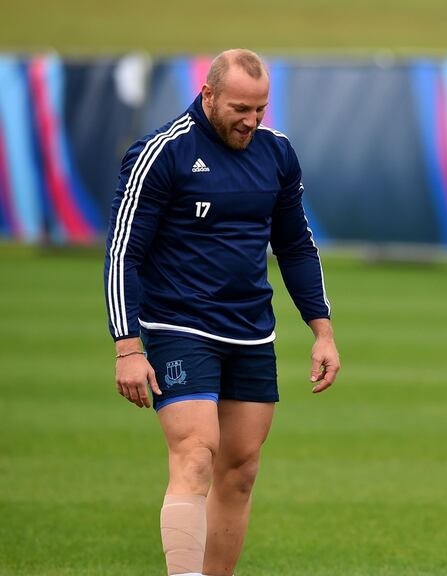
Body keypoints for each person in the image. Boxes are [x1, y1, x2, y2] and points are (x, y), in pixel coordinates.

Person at [103, 49, 340, 576]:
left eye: (261, 110)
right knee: (196, 453)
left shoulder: (277, 153)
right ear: (207, 95)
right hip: (177, 326)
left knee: (241, 470)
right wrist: (127, 347)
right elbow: (124, 252)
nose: (252, 121)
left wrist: (321, 332)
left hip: (251, 332)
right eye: (240, 109)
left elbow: (297, 246)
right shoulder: (161, 153)